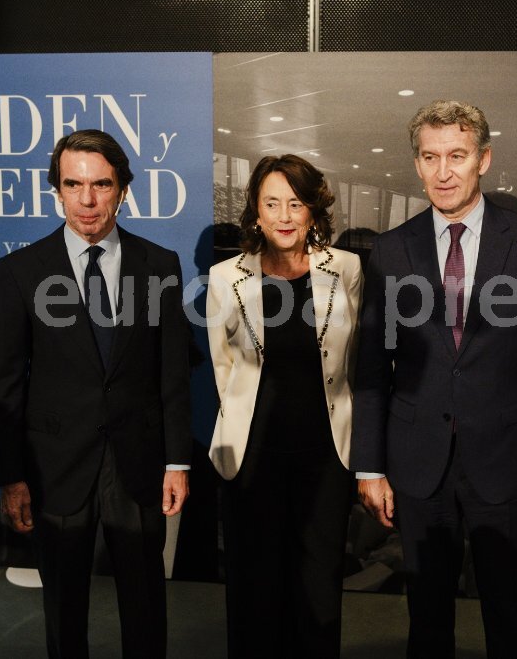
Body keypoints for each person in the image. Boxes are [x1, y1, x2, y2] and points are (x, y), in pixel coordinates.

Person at [351, 99, 517, 657]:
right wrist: (371, 465)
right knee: (426, 616)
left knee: (507, 611)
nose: (443, 171)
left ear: (484, 160)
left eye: (457, 155)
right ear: (417, 164)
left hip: (504, 458)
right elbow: (373, 371)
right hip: (417, 459)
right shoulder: (391, 249)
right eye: (430, 157)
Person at [0, 129, 192, 658]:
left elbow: (171, 373)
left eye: (101, 184)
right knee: (63, 608)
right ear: (56, 189)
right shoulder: (20, 271)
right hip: (55, 463)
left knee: (146, 605)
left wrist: (177, 462)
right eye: (72, 184)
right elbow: (5, 382)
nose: (86, 199)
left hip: (138, 461)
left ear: (123, 189)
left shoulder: (160, 265)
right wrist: (11, 477)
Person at [206, 154, 362, 657]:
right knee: (254, 591)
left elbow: (354, 364)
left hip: (326, 457)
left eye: (296, 203)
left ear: (314, 210)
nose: (284, 215)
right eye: (272, 203)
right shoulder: (224, 277)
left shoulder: (348, 269)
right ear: (255, 211)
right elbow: (223, 370)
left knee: (318, 590)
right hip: (252, 459)